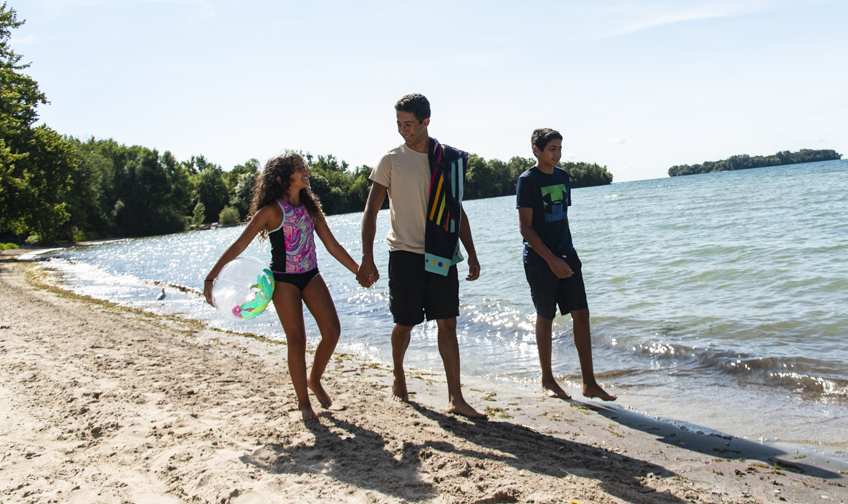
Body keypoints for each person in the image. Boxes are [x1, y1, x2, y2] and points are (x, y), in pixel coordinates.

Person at [204, 153, 362, 422]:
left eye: (304, 167)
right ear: (282, 179)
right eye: (299, 169)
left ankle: (315, 379)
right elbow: (240, 245)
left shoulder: (311, 209)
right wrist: (212, 277)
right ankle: (303, 403)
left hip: (311, 275)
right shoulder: (271, 211)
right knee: (297, 340)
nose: (306, 171)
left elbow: (332, 245)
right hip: (283, 281)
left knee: (332, 330)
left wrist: (359, 271)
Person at [357, 93, 486, 419]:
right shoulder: (391, 160)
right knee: (404, 323)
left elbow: (456, 211)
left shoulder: (447, 159)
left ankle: (455, 397)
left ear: (426, 121)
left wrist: (471, 254)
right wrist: (367, 258)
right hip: (404, 254)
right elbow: (371, 212)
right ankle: (399, 372)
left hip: (441, 252)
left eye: (409, 124)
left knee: (447, 322)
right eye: (399, 124)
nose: (403, 130)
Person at [516, 128, 617, 401]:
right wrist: (551, 259)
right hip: (540, 259)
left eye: (559, 148)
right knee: (545, 318)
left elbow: (562, 218)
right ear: (536, 150)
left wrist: (566, 254)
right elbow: (525, 228)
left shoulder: (563, 177)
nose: (557, 154)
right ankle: (547, 380)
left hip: (567, 254)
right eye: (552, 149)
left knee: (581, 314)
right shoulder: (528, 181)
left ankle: (589, 383)